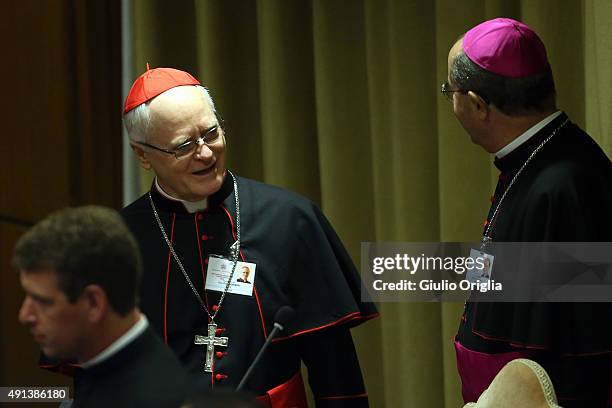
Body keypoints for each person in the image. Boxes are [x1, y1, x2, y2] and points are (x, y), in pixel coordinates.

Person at [121, 67, 378, 407]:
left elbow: (336, 371)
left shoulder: (289, 219)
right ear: (142, 155)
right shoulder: (119, 240)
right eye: (184, 145)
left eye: (211, 133)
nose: (206, 153)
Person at [444, 18, 612, 407]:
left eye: (449, 92)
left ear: (478, 105)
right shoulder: (534, 160)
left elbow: (579, 355)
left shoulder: (564, 188)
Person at [13, 206, 194, 408]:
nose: (25, 315)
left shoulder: (151, 398)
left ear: (94, 303)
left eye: (43, 302)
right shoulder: (109, 365)